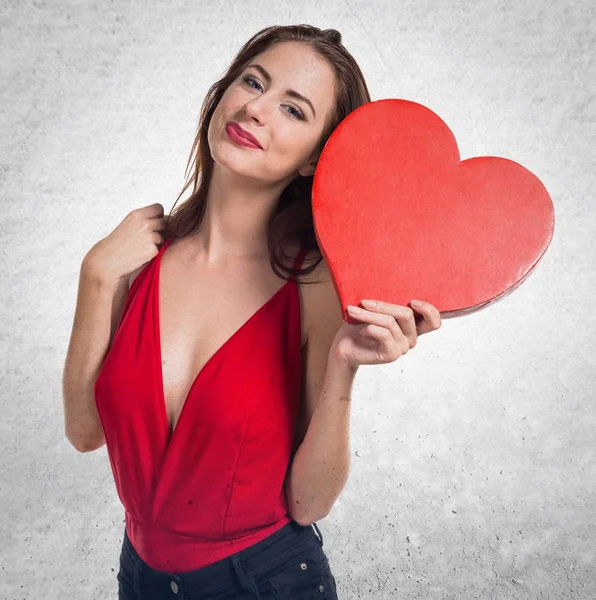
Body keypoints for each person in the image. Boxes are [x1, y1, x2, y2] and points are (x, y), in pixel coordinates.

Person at [62, 24, 441, 599]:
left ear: (317, 157)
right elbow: (86, 432)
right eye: (252, 81)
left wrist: (344, 364)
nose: (256, 107)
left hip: (265, 581)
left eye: (293, 108)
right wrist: (95, 277)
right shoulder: (133, 258)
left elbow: (309, 502)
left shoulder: (315, 287)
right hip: (139, 579)